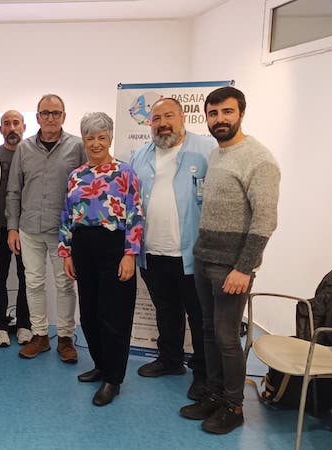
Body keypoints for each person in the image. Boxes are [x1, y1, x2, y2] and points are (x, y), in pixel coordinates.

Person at [180, 87, 280, 434]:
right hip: (204, 258)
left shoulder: (259, 159)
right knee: (208, 333)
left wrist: (244, 268)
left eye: (227, 112)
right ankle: (213, 394)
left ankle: (233, 406)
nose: (219, 119)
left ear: (241, 113)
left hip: (231, 267)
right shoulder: (218, 154)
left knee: (226, 338)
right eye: (213, 113)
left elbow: (265, 220)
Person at [130, 97, 215, 401]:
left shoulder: (206, 150)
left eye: (169, 116)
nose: (163, 123)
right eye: (156, 118)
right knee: (166, 310)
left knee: (199, 316)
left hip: (192, 254)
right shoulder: (139, 156)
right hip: (152, 251)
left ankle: (203, 374)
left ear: (182, 118)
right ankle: (170, 360)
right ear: (149, 123)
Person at [60, 112, 144, 406]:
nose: (95, 143)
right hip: (83, 247)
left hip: (114, 247)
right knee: (90, 314)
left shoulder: (125, 172)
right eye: (90, 138)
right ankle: (100, 365)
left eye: (101, 137)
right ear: (83, 140)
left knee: (114, 316)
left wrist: (130, 254)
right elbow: (67, 215)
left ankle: (113, 378)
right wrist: (66, 253)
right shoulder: (76, 175)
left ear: (110, 138)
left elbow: (135, 215)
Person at [6, 94, 87, 363]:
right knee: (33, 283)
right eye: (45, 113)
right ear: (37, 117)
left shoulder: (77, 147)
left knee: (65, 284)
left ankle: (65, 338)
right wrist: (12, 227)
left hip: (63, 231)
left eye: (56, 113)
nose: (50, 117)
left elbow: (87, 188)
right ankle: (40, 336)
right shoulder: (24, 149)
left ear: (64, 116)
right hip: (29, 229)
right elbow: (14, 190)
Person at [0, 110, 30, 347]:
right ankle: (0, 326)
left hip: (26, 228)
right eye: (7, 123)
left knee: (28, 278)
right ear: (0, 129)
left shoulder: (32, 155)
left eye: (16, 123)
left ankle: (25, 324)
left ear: (24, 126)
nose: (12, 127)